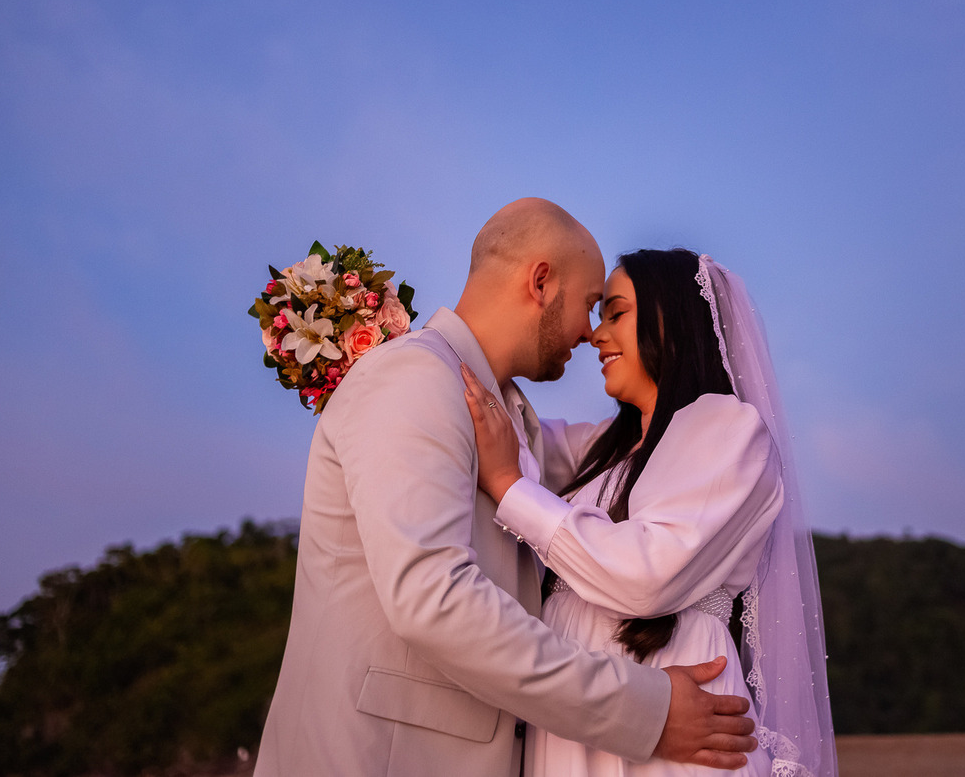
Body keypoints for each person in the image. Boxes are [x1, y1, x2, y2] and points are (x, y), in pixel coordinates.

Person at [254, 202, 757, 776]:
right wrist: (646, 709)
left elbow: (643, 446)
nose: (591, 332)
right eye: (592, 304)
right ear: (541, 281)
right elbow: (434, 599)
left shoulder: (508, 419)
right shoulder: (414, 378)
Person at [461, 248, 838, 776]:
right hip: (586, 718)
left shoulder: (730, 430)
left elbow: (647, 578)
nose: (595, 335)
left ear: (673, 318)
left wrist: (509, 487)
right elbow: (494, 421)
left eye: (616, 312)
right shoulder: (603, 450)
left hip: (674, 717)